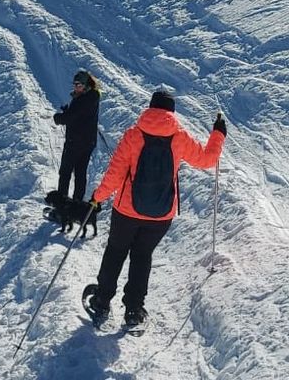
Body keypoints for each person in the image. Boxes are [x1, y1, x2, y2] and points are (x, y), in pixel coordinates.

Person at [86, 87, 226, 328]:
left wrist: (97, 198)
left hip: (127, 212)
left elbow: (115, 174)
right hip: (160, 215)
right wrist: (218, 134)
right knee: (142, 256)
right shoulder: (179, 137)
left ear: (150, 108)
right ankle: (133, 310)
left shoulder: (133, 134)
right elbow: (206, 160)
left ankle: (101, 300)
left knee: (116, 251)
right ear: (171, 112)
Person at [53, 70, 100, 202]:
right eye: (74, 84)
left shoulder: (83, 99)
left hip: (75, 142)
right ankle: (77, 204)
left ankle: (61, 205)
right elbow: (79, 115)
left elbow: (73, 117)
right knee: (80, 172)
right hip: (88, 142)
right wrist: (69, 112)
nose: (76, 87)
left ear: (86, 85)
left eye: (79, 85)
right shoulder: (92, 96)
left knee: (65, 172)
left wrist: (59, 117)